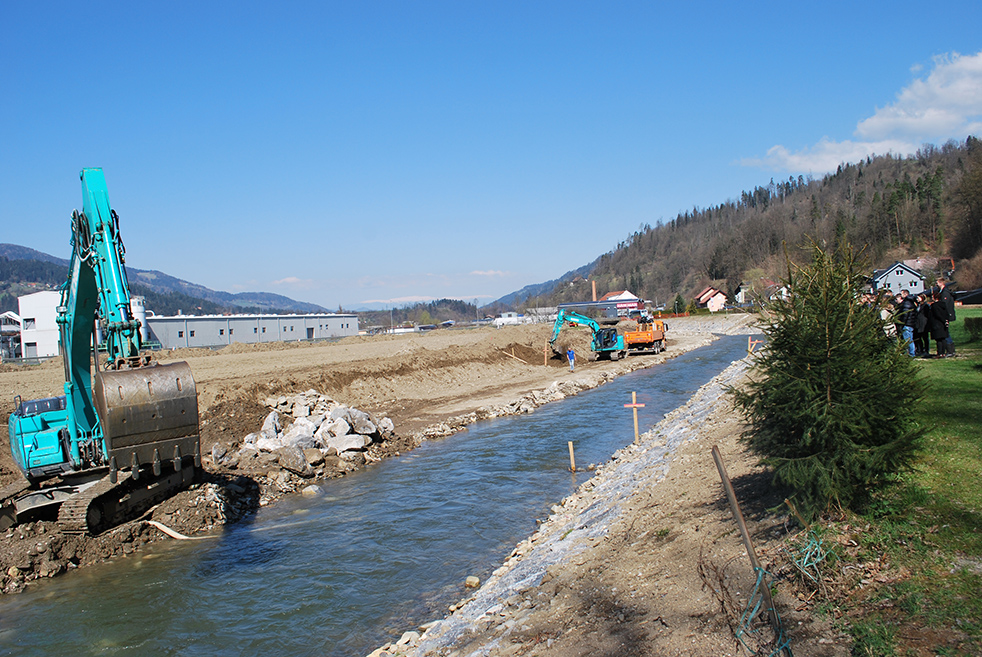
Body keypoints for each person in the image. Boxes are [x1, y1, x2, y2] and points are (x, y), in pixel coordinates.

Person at [936, 278, 956, 356]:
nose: (936, 285)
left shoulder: (945, 293)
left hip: (946, 315)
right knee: (946, 332)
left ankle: (950, 350)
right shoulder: (943, 292)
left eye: (937, 283)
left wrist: (945, 316)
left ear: (941, 283)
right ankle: (950, 350)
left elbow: (945, 305)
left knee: (946, 333)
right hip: (946, 315)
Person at [929, 291, 950, 358]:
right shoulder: (943, 305)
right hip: (943, 324)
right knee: (943, 339)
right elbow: (946, 313)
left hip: (937, 324)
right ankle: (943, 353)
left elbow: (937, 314)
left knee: (938, 340)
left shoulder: (934, 306)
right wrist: (946, 320)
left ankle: (939, 353)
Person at [896, 290, 917, 357]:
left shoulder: (907, 303)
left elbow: (905, 314)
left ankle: (911, 354)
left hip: (907, 324)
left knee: (908, 340)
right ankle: (911, 353)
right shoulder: (910, 302)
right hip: (910, 323)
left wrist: (902, 322)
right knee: (909, 339)